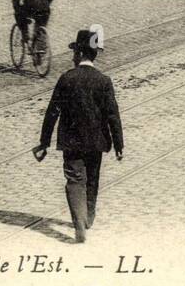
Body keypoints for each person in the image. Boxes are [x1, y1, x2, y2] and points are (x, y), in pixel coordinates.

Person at [33, 29, 124, 243]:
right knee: (92, 180)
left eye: (74, 52)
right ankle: (88, 218)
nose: (72, 56)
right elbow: (113, 115)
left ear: (79, 54)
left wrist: (44, 142)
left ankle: (79, 223)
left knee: (75, 180)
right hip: (96, 142)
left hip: (72, 142)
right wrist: (119, 144)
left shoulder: (67, 79)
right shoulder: (103, 81)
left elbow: (52, 111)